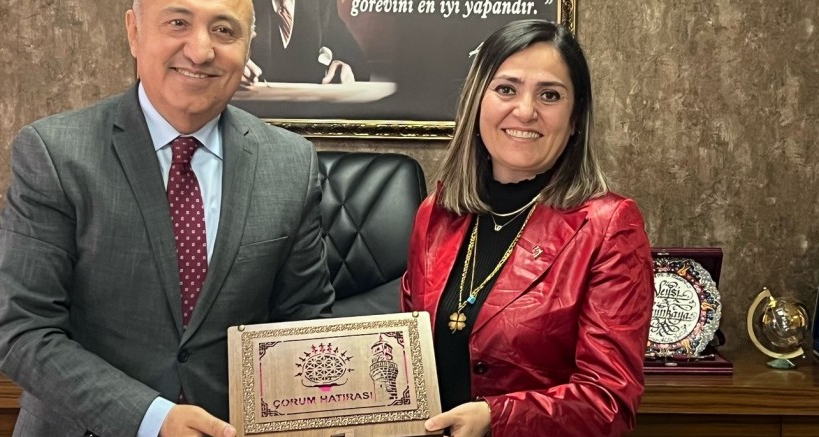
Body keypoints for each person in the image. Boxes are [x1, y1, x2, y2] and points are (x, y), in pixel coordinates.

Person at [0, 0, 333, 435]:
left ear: (248, 46)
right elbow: (22, 331)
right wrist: (152, 419)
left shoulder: (291, 163)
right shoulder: (54, 153)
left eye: (224, 31)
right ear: (134, 32)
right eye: (178, 23)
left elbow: (304, 320)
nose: (200, 51)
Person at [400, 19, 654, 437]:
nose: (525, 111)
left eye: (549, 95)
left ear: (575, 118)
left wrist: (495, 418)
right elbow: (407, 360)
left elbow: (609, 403)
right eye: (506, 89)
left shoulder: (610, 226)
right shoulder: (436, 214)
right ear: (477, 102)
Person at [242, 0, 369, 84]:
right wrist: (233, 67)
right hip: (253, 110)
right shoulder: (236, 4)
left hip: (309, 112)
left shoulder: (321, 3)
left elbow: (358, 65)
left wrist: (343, 67)